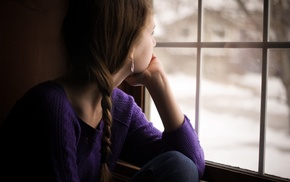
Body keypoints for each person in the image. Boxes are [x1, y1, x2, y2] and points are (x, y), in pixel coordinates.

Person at [0, 0, 205, 181]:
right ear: (129, 45)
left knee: (180, 165)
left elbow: (190, 164)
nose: (154, 42)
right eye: (151, 32)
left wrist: (158, 83)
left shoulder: (121, 108)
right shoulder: (51, 107)